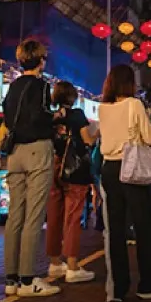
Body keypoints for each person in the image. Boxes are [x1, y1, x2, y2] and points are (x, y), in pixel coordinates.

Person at [98, 65, 151, 302]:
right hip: (131, 167)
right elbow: (150, 138)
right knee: (143, 227)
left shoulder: (103, 108)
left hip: (108, 169)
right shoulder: (134, 104)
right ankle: (148, 284)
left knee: (115, 231)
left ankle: (117, 289)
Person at [2, 39, 59, 297]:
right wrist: (56, 117)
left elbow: (8, 115)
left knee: (15, 216)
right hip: (38, 151)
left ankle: (11, 279)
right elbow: (42, 114)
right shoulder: (42, 86)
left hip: (15, 154)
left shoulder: (12, 87)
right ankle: (28, 280)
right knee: (34, 217)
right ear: (41, 61)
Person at [46, 81, 97, 284]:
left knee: (54, 215)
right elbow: (88, 141)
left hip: (52, 167)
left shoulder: (50, 117)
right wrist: (97, 134)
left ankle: (55, 263)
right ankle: (73, 266)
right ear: (73, 97)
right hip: (74, 170)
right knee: (73, 216)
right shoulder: (77, 115)